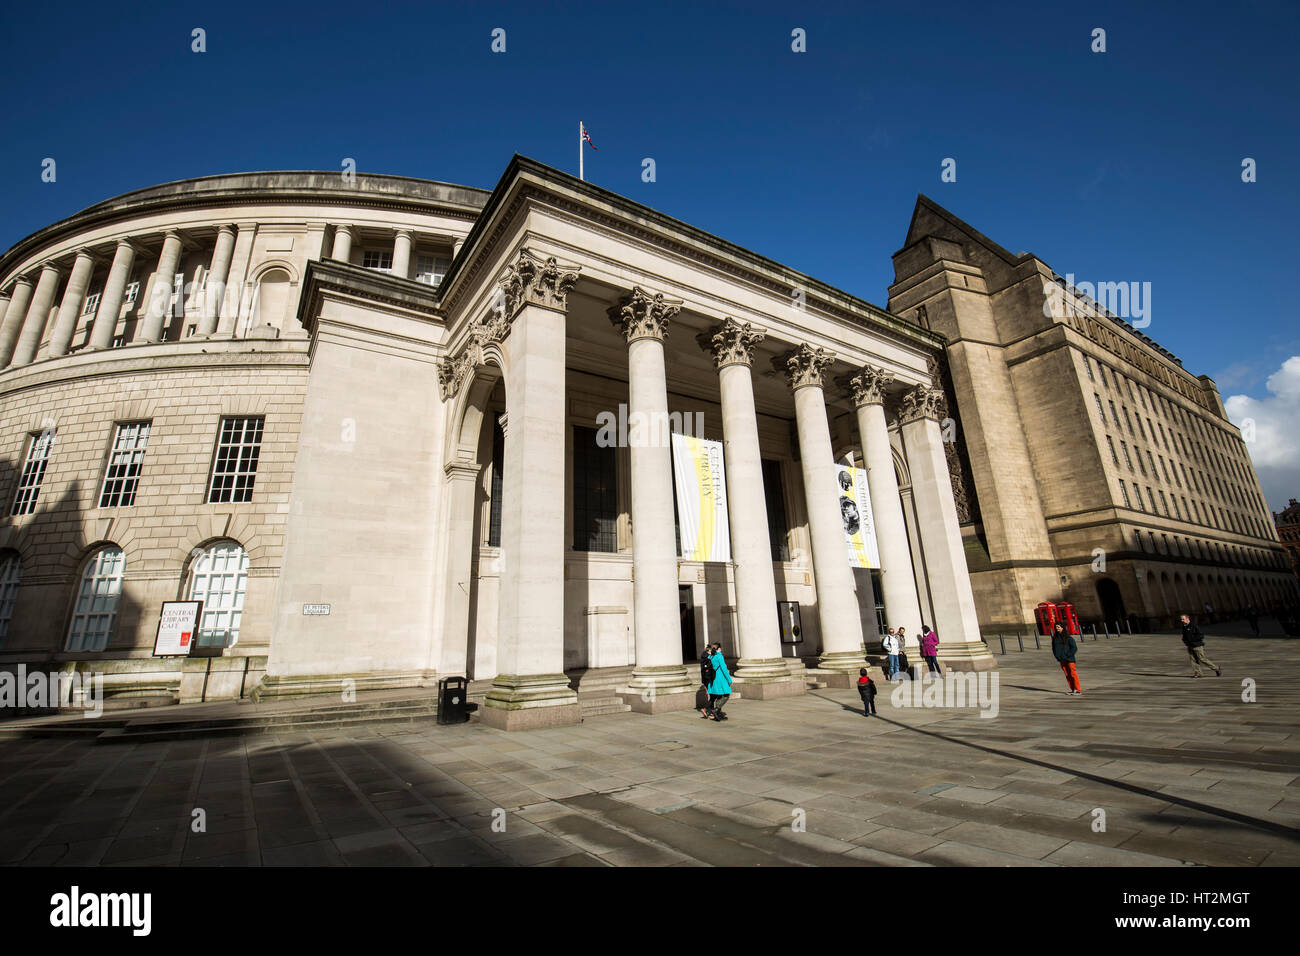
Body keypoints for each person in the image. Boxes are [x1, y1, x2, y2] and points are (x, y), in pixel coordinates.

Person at [1051, 623, 1082, 695]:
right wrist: (1057, 656)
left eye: (1058, 627)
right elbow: (1054, 648)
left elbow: (1074, 648)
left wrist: (1068, 655)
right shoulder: (1055, 638)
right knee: (1067, 675)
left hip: (1069, 659)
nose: (1057, 628)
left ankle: (1078, 690)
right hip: (1061, 659)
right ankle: (1073, 689)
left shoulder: (1068, 637)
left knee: (1073, 674)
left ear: (1062, 628)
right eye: (1056, 627)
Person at [706, 643, 733, 720]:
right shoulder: (719, 656)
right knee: (726, 695)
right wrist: (729, 679)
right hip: (720, 678)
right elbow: (724, 668)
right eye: (720, 648)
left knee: (719, 695)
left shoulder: (711, 656)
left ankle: (718, 714)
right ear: (718, 649)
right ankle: (716, 709)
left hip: (713, 678)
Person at [698, 644, 716, 719]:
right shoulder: (707, 657)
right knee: (713, 695)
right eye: (712, 650)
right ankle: (706, 710)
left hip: (706, 679)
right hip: (708, 679)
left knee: (712, 695)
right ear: (709, 650)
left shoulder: (705, 657)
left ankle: (710, 712)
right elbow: (709, 667)